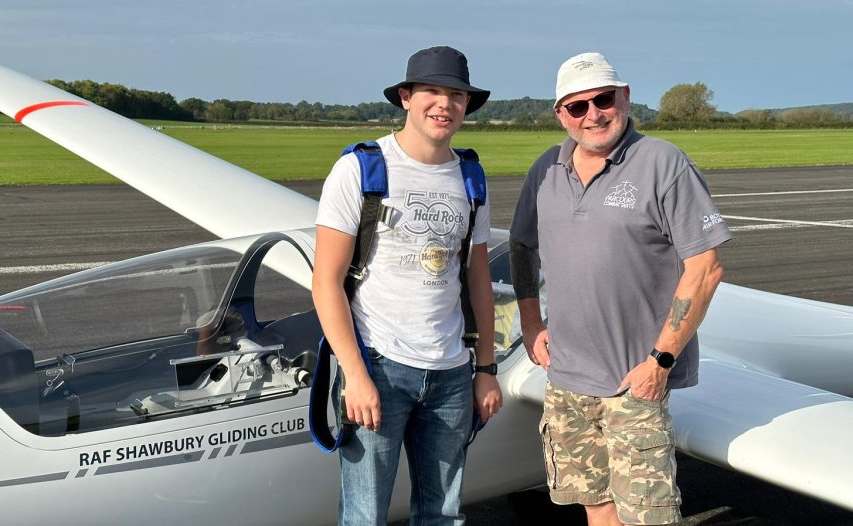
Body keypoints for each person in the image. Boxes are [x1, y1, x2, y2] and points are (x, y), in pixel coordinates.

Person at [509, 52, 731, 525]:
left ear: (625, 97)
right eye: (577, 106)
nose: (593, 114)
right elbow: (522, 243)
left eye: (603, 99)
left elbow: (705, 268)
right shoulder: (546, 169)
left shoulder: (663, 162)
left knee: (648, 517)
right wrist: (530, 323)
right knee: (596, 506)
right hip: (566, 378)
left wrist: (660, 361)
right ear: (561, 114)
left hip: (635, 382)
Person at [312, 46, 503, 525]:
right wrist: (355, 374)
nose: (445, 104)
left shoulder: (471, 177)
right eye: (432, 91)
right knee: (366, 514)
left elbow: (477, 277)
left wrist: (485, 368)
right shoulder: (360, 168)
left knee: (443, 514)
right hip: (378, 365)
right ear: (405, 97)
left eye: (457, 95)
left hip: (452, 372)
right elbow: (326, 282)